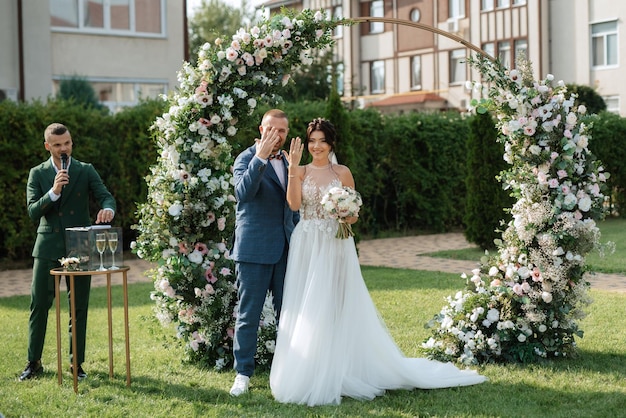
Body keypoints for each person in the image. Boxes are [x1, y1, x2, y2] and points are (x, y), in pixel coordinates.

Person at [269, 118, 487, 406]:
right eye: (312, 141)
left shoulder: (342, 172)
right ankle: (308, 368)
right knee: (305, 304)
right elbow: (295, 205)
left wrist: (346, 214)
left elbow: (355, 212)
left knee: (335, 302)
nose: (316, 146)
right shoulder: (301, 170)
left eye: (322, 140)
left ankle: (340, 368)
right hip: (306, 242)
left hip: (335, 243)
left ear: (331, 143)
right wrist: (294, 170)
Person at [19, 123, 116, 381]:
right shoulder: (37, 173)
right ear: (48, 146)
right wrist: (54, 191)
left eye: (68, 143)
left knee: (78, 307)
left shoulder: (85, 170)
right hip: (48, 246)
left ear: (72, 143)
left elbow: (106, 196)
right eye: (58, 145)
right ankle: (34, 362)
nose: (64, 149)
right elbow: (32, 212)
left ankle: (77, 364)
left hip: (80, 247)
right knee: (39, 304)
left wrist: (108, 210)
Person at [229, 109, 300, 396]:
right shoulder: (246, 158)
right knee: (248, 315)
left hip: (286, 251)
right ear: (261, 129)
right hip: (253, 251)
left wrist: (299, 239)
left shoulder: (288, 161)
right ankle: (242, 375)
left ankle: (290, 371)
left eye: (282, 131)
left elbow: (293, 206)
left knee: (290, 315)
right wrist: (260, 157)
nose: (277, 135)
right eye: (272, 129)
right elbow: (243, 193)